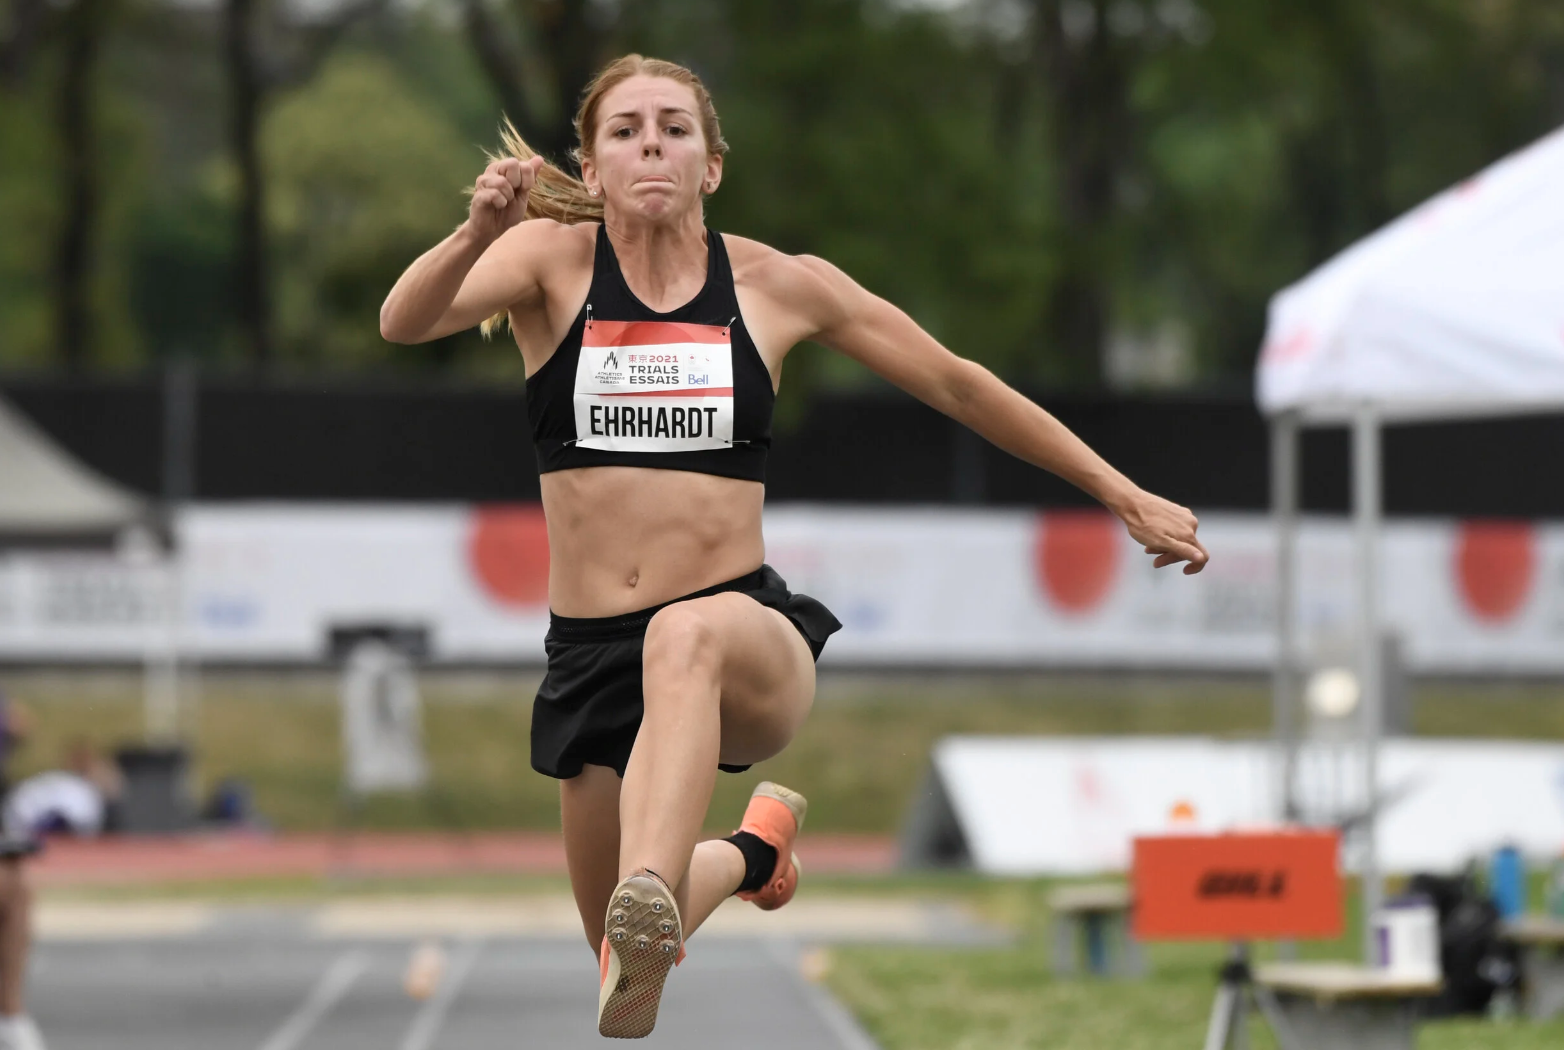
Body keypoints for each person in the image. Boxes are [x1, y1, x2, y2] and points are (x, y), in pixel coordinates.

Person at [381, 54, 1209, 1038]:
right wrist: (479, 231)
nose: (652, 141)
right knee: (615, 961)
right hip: (587, 655)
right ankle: (750, 857)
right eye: (626, 128)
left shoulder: (777, 286)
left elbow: (955, 382)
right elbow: (405, 321)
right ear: (592, 169)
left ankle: (655, 879)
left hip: (739, 641)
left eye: (674, 128)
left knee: (681, 638)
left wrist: (1119, 492)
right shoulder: (547, 268)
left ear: (712, 165)